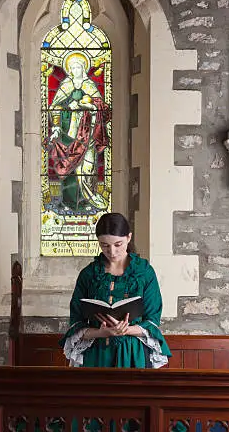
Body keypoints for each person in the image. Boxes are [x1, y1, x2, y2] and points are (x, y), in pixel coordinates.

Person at [60, 212, 171, 368]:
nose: (112, 252)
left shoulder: (144, 272)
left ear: (129, 238)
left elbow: (152, 320)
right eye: (105, 245)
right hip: (96, 353)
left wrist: (125, 329)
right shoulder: (89, 274)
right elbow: (76, 322)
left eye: (118, 244)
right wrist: (100, 333)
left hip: (133, 354)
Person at [47, 51, 110, 213]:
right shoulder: (66, 85)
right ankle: (68, 202)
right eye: (73, 67)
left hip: (87, 132)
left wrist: (89, 106)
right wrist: (65, 112)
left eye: (78, 66)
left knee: (88, 167)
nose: (76, 70)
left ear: (83, 67)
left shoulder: (90, 85)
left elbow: (101, 106)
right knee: (71, 167)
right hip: (69, 132)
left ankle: (88, 198)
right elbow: (55, 106)